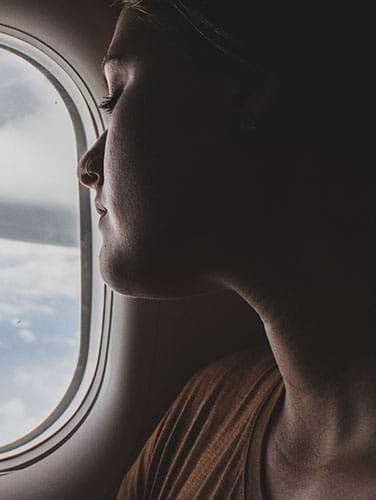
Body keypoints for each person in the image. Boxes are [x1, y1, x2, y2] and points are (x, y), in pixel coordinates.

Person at [76, 1, 376, 498]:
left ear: (253, 94)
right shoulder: (207, 409)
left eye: (117, 97)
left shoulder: (211, 418)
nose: (87, 166)